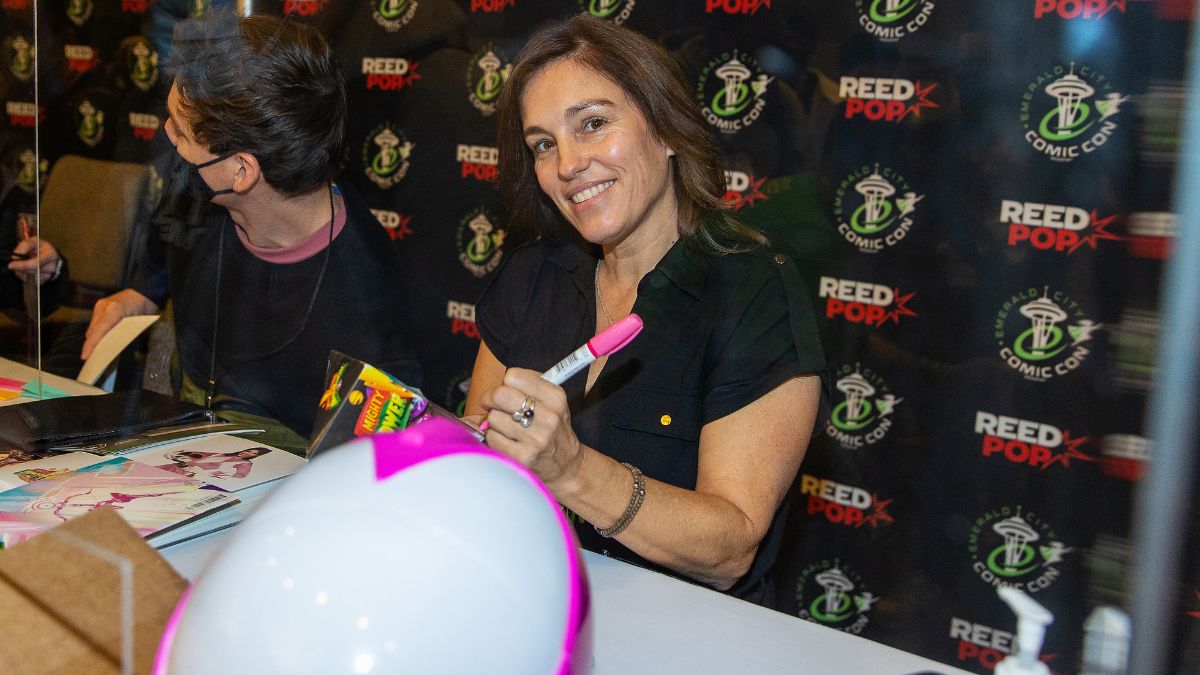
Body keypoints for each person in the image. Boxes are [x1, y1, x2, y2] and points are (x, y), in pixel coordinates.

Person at [465, 15, 827, 603]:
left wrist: (571, 471)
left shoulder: (753, 291)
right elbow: (485, 460)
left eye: (593, 124)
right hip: (533, 605)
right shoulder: (533, 274)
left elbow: (731, 549)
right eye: (543, 145)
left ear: (665, 130)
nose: (567, 164)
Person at [81, 12, 421, 454]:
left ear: (241, 171)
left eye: (179, 132)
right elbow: (164, 250)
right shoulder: (199, 194)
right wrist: (138, 295)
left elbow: (370, 476)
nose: (166, 138)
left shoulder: (363, 313)